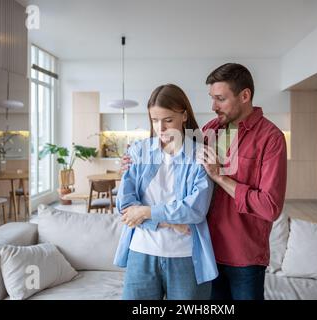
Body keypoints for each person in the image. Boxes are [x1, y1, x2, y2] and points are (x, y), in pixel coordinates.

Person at [122, 63, 287, 300]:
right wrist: (130, 163)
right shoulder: (207, 132)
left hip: (243, 255)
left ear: (245, 95)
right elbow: (172, 153)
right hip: (202, 251)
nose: (213, 106)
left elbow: (270, 207)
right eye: (212, 98)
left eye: (220, 98)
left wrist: (220, 177)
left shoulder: (271, 139)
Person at [113, 84, 218, 300]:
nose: (160, 128)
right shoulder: (139, 151)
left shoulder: (200, 155)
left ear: (184, 116)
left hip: (185, 256)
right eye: (154, 120)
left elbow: (195, 210)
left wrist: (145, 213)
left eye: (168, 120)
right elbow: (125, 205)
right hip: (141, 252)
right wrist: (169, 222)